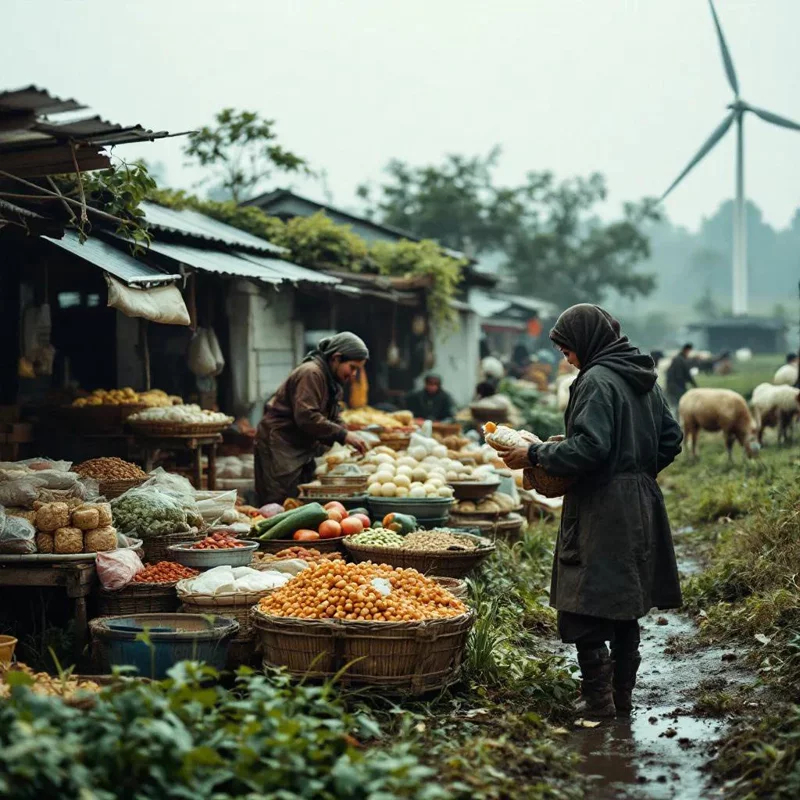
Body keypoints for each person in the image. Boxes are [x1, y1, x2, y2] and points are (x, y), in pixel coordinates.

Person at [494, 304, 683, 719]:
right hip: (640, 499)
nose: (568, 360)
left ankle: (598, 699)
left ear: (586, 341)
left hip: (602, 505)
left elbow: (590, 448)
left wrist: (534, 453)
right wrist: (636, 470)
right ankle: (621, 695)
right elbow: (672, 438)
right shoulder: (641, 376)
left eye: (568, 351)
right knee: (625, 599)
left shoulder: (596, 379)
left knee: (584, 599)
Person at [254, 332, 369, 505]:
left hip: (301, 446)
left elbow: (333, 415)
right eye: (352, 367)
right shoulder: (311, 373)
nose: (353, 374)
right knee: (279, 501)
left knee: (298, 502)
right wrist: (343, 435)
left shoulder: (332, 380)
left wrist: (346, 435)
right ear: (336, 358)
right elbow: (307, 417)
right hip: (281, 444)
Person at [665, 342, 696, 411]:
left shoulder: (677, 359)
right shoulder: (681, 360)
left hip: (671, 386)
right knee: (678, 406)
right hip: (677, 387)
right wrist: (695, 385)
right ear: (687, 350)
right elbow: (686, 375)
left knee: (673, 405)